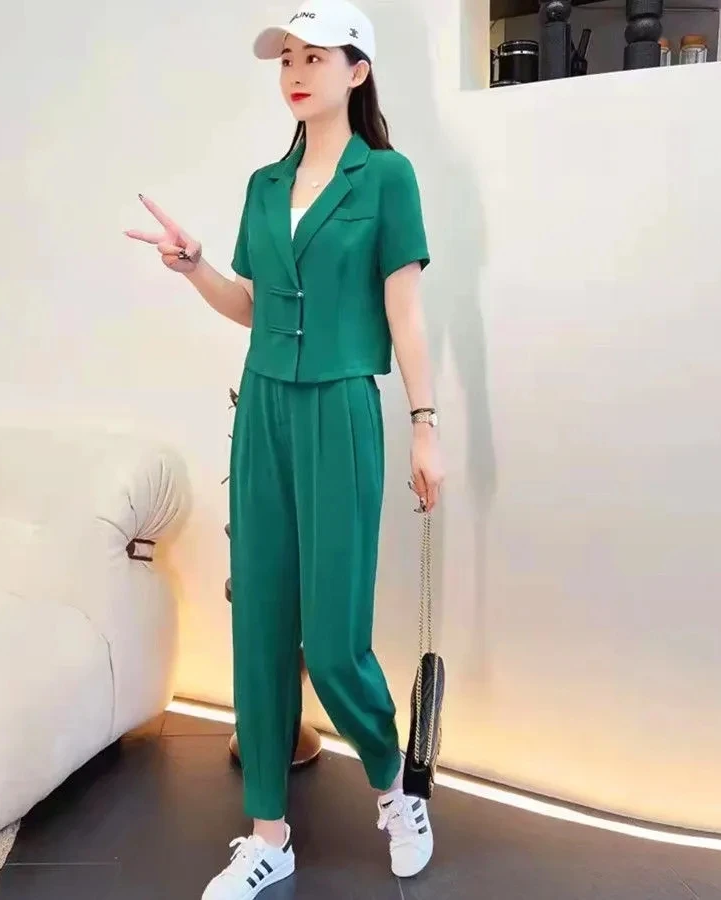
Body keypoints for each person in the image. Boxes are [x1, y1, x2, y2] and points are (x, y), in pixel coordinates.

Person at [126, 1, 444, 896]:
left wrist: (425, 423)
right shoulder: (265, 186)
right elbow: (253, 306)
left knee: (334, 641)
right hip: (263, 407)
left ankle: (395, 787)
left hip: (342, 407)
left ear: (358, 71)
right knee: (260, 623)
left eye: (315, 56)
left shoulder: (387, 177)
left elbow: (406, 311)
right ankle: (269, 834)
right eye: (287, 59)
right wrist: (195, 267)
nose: (297, 72)